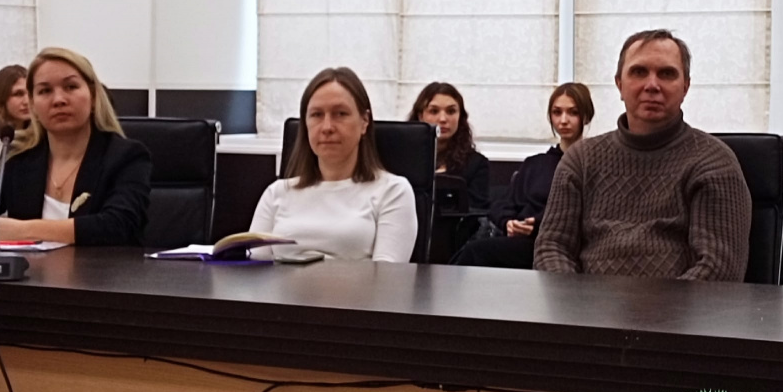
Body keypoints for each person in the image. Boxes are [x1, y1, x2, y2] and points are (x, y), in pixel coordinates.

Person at [534, 29, 751, 280]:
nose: (652, 85)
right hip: (584, 303)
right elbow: (551, 249)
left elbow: (719, 268)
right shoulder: (580, 161)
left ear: (685, 87)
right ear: (619, 84)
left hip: (681, 305)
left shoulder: (713, 163)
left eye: (666, 74)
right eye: (639, 72)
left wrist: (653, 307)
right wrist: (577, 300)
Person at [0, 48, 151, 246]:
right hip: (31, 273)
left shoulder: (125, 156)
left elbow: (120, 225)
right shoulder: (20, 158)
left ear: (93, 96)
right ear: (33, 104)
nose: (58, 100)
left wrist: (24, 231)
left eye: (71, 87)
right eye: (45, 91)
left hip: (101, 273)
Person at [252, 67, 417, 263]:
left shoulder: (392, 191)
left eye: (340, 114)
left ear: (364, 121)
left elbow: (387, 276)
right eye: (316, 115)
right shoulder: (277, 193)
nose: (327, 127)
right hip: (279, 284)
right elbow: (254, 270)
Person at [454, 82, 595, 269]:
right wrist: (509, 223)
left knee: (475, 252)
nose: (563, 120)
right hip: (520, 239)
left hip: (556, 244)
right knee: (470, 251)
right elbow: (503, 204)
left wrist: (536, 224)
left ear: (586, 116)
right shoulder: (534, 164)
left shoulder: (592, 163)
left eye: (573, 112)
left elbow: (583, 213)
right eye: (557, 112)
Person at [409, 82, 489, 210]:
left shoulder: (476, 164)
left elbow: (476, 210)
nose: (443, 119)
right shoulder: (401, 160)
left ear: (460, 117)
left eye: (451, 111)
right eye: (434, 111)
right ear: (420, 116)